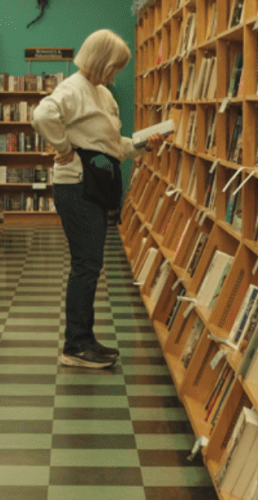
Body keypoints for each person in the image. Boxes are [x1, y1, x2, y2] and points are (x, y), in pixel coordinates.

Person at [32, 29, 164, 369]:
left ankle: (84, 339)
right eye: (115, 66)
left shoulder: (102, 93)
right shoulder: (74, 88)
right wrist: (63, 148)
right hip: (77, 186)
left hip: (95, 184)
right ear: (102, 60)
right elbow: (42, 116)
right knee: (86, 266)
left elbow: (111, 144)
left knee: (89, 266)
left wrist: (141, 145)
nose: (116, 73)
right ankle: (75, 346)